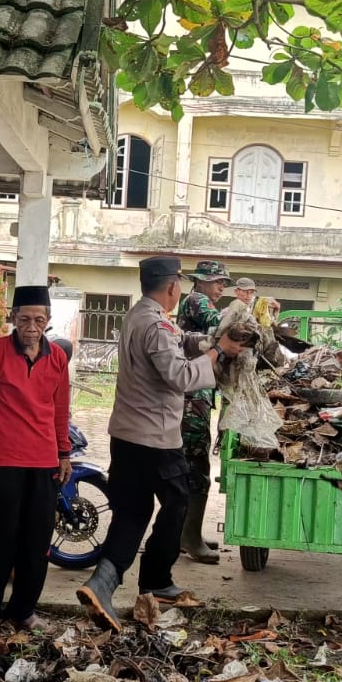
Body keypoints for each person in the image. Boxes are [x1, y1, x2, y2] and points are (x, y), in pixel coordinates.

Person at [77, 256, 246, 629]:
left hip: (126, 435)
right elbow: (180, 375)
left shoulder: (140, 315)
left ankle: (101, 584)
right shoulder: (153, 324)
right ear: (172, 286)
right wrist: (218, 353)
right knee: (179, 499)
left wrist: (209, 341)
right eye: (179, 286)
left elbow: (179, 341)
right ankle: (156, 579)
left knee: (133, 512)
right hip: (154, 438)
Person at [0, 286, 71, 640]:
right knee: (0, 539)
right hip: (6, 461)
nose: (32, 327)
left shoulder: (57, 359)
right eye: (24, 319)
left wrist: (64, 453)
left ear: (48, 321)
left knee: (38, 543)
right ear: (13, 319)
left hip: (45, 463)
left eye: (39, 320)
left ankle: (23, 611)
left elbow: (61, 410)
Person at [175, 260, 233, 565]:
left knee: (191, 467)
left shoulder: (196, 301)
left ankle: (185, 534)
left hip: (197, 392)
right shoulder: (197, 300)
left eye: (224, 281)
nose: (222, 286)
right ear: (201, 282)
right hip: (191, 397)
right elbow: (225, 326)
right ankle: (189, 538)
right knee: (196, 467)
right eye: (217, 281)